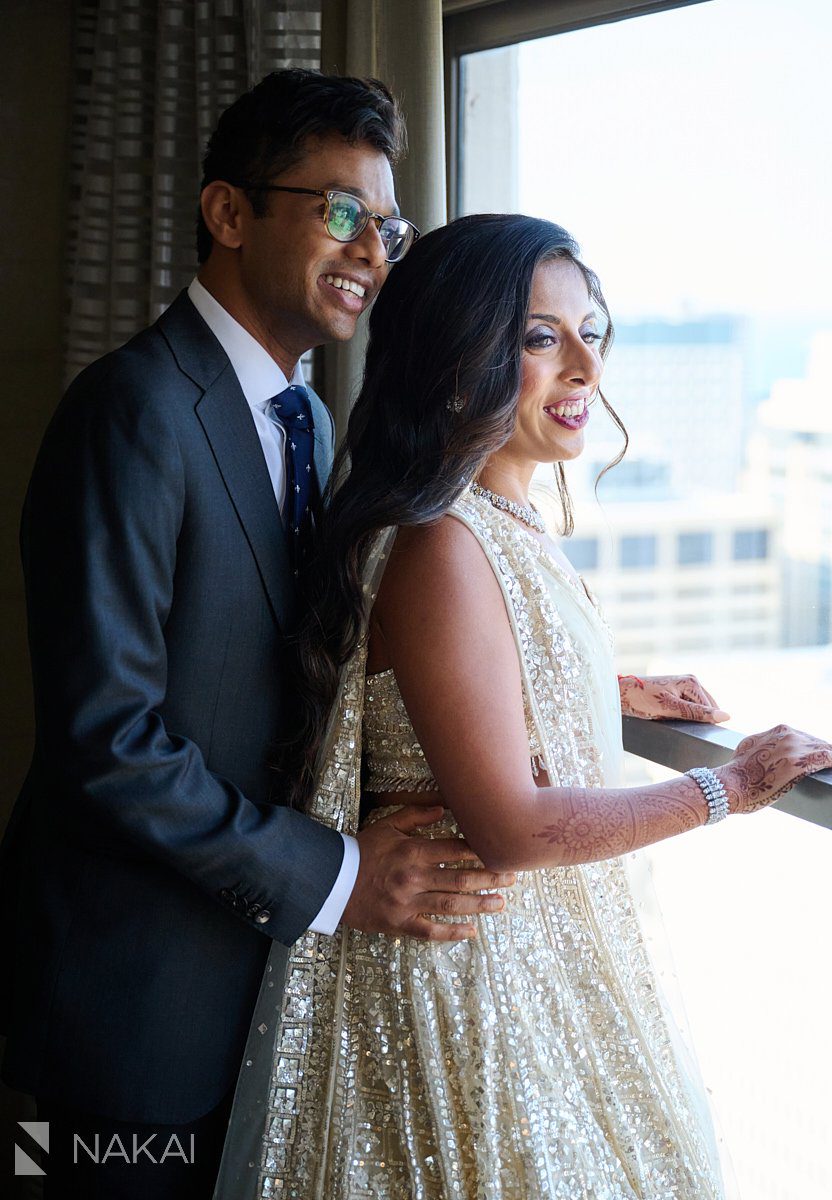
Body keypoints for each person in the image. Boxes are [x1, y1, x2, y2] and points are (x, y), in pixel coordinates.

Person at [216, 213, 832, 1199]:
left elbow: (471, 676)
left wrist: (597, 685)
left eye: (593, 333)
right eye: (542, 339)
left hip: (533, 966)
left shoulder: (497, 525)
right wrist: (729, 784)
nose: (586, 369)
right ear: (459, 353)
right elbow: (509, 825)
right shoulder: (443, 543)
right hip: (473, 983)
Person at [0, 71, 512, 1200]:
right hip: (121, 1006)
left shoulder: (303, 413)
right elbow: (108, 744)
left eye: (387, 225)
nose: (372, 251)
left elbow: (324, 638)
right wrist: (334, 876)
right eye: (339, 212)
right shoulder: (131, 411)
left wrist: (559, 670)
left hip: (251, 980)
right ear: (229, 214)